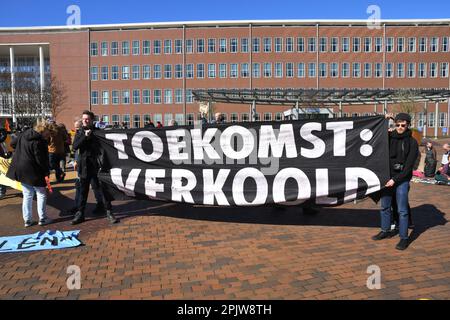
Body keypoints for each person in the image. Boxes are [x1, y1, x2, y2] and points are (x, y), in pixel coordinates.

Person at [372, 113, 419, 250]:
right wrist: (385, 119)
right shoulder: (388, 138)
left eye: (403, 125)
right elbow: (377, 134)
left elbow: (409, 167)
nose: (399, 127)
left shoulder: (412, 142)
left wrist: (395, 180)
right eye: (397, 124)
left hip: (401, 180)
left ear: (408, 125)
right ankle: (385, 231)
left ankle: (404, 238)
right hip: (387, 179)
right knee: (385, 207)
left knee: (402, 210)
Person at [71, 110, 119, 225]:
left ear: (92, 120)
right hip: (84, 167)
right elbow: (75, 146)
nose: (85, 121)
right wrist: (85, 137)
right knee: (83, 191)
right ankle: (80, 213)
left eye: (87, 119)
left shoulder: (97, 132)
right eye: (83, 119)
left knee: (102, 190)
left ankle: (109, 211)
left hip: (97, 166)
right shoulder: (80, 132)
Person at [6, 121, 54, 227]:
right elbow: (40, 159)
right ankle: (43, 218)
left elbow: (12, 143)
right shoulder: (39, 141)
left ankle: (27, 220)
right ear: (44, 130)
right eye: (49, 132)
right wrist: (46, 171)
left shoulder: (24, 133)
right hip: (34, 170)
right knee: (41, 193)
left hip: (21, 169)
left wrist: (22, 149)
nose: (49, 134)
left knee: (27, 195)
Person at [66, 119, 106, 216]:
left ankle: (100, 204)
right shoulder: (79, 134)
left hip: (90, 164)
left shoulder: (89, 134)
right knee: (80, 186)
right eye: (75, 127)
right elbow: (75, 148)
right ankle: (78, 206)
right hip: (81, 164)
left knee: (94, 185)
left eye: (78, 127)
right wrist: (75, 160)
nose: (76, 129)